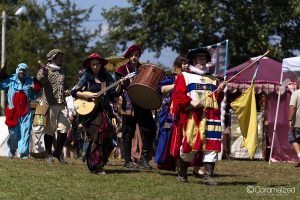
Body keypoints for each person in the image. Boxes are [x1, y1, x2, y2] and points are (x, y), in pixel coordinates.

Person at [169, 48, 224, 184]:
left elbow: (216, 99)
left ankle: (208, 176)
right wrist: (191, 102)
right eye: (200, 58)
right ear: (194, 60)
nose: (203, 60)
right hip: (192, 116)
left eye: (205, 58)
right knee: (189, 144)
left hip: (211, 116)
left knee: (211, 144)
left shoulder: (212, 79)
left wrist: (220, 91)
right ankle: (182, 173)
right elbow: (178, 95)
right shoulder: (185, 77)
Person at [71, 53, 115, 174]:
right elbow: (74, 92)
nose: (95, 66)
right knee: (96, 136)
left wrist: (119, 87)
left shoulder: (107, 77)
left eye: (97, 64)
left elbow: (113, 94)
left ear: (101, 64)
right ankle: (95, 165)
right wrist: (88, 94)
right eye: (93, 64)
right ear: (89, 65)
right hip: (90, 113)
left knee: (107, 136)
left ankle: (100, 161)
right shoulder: (86, 77)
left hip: (104, 110)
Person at [115, 44, 156, 170]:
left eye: (137, 55)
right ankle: (127, 161)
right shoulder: (121, 69)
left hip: (142, 104)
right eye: (132, 55)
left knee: (150, 129)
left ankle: (143, 159)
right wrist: (121, 85)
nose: (134, 57)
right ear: (128, 56)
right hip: (129, 105)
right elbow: (116, 92)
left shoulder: (143, 69)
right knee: (128, 132)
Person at [154, 55, 189, 170]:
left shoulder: (190, 77)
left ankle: (182, 164)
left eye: (187, 63)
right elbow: (162, 89)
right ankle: (164, 162)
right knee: (167, 134)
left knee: (182, 136)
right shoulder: (172, 76)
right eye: (184, 63)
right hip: (169, 111)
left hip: (185, 110)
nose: (186, 65)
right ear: (178, 64)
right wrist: (177, 84)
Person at [36, 49, 70, 164]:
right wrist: (44, 73)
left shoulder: (62, 71)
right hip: (50, 104)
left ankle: (58, 152)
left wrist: (67, 91)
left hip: (62, 104)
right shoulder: (45, 69)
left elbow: (65, 86)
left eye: (62, 57)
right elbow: (41, 80)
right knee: (49, 131)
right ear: (53, 58)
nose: (61, 59)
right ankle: (49, 154)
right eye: (59, 57)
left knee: (64, 128)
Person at [0, 63, 41, 159]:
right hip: (13, 112)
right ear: (17, 70)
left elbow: (35, 95)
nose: (21, 71)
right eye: (20, 70)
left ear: (26, 71)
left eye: (23, 70)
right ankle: (12, 149)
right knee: (13, 133)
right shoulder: (11, 80)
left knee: (25, 132)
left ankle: (23, 153)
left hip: (25, 113)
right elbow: (2, 86)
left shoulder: (30, 81)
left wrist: (36, 88)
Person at [288, 77, 300, 168]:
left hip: (298, 121)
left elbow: (292, 107)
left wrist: (290, 119)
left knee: (293, 138)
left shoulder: (296, 93)